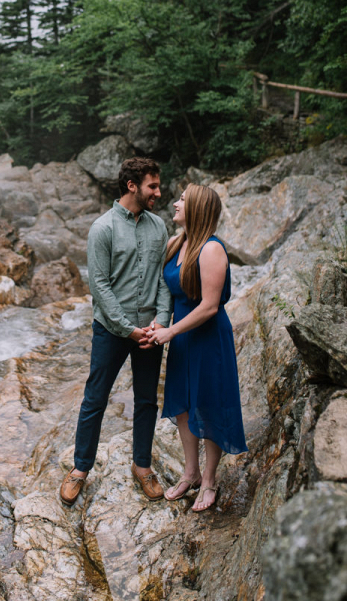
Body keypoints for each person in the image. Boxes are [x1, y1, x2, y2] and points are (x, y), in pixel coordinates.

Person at [59, 157, 172, 507]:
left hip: (150, 331)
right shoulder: (103, 228)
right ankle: (80, 469)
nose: (158, 191)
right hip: (111, 329)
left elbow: (163, 280)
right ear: (132, 186)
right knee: (95, 398)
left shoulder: (159, 227)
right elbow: (101, 287)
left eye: (158, 185)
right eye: (152, 186)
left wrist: (162, 320)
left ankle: (142, 467)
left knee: (146, 401)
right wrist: (127, 329)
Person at [145, 183, 248, 512]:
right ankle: (189, 473)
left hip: (207, 337)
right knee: (184, 406)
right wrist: (161, 323)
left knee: (208, 404)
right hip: (182, 337)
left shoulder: (212, 250)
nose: (175, 204)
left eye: (183, 201)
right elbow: (168, 292)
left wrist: (170, 331)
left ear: (198, 210)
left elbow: (209, 306)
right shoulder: (178, 243)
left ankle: (209, 479)